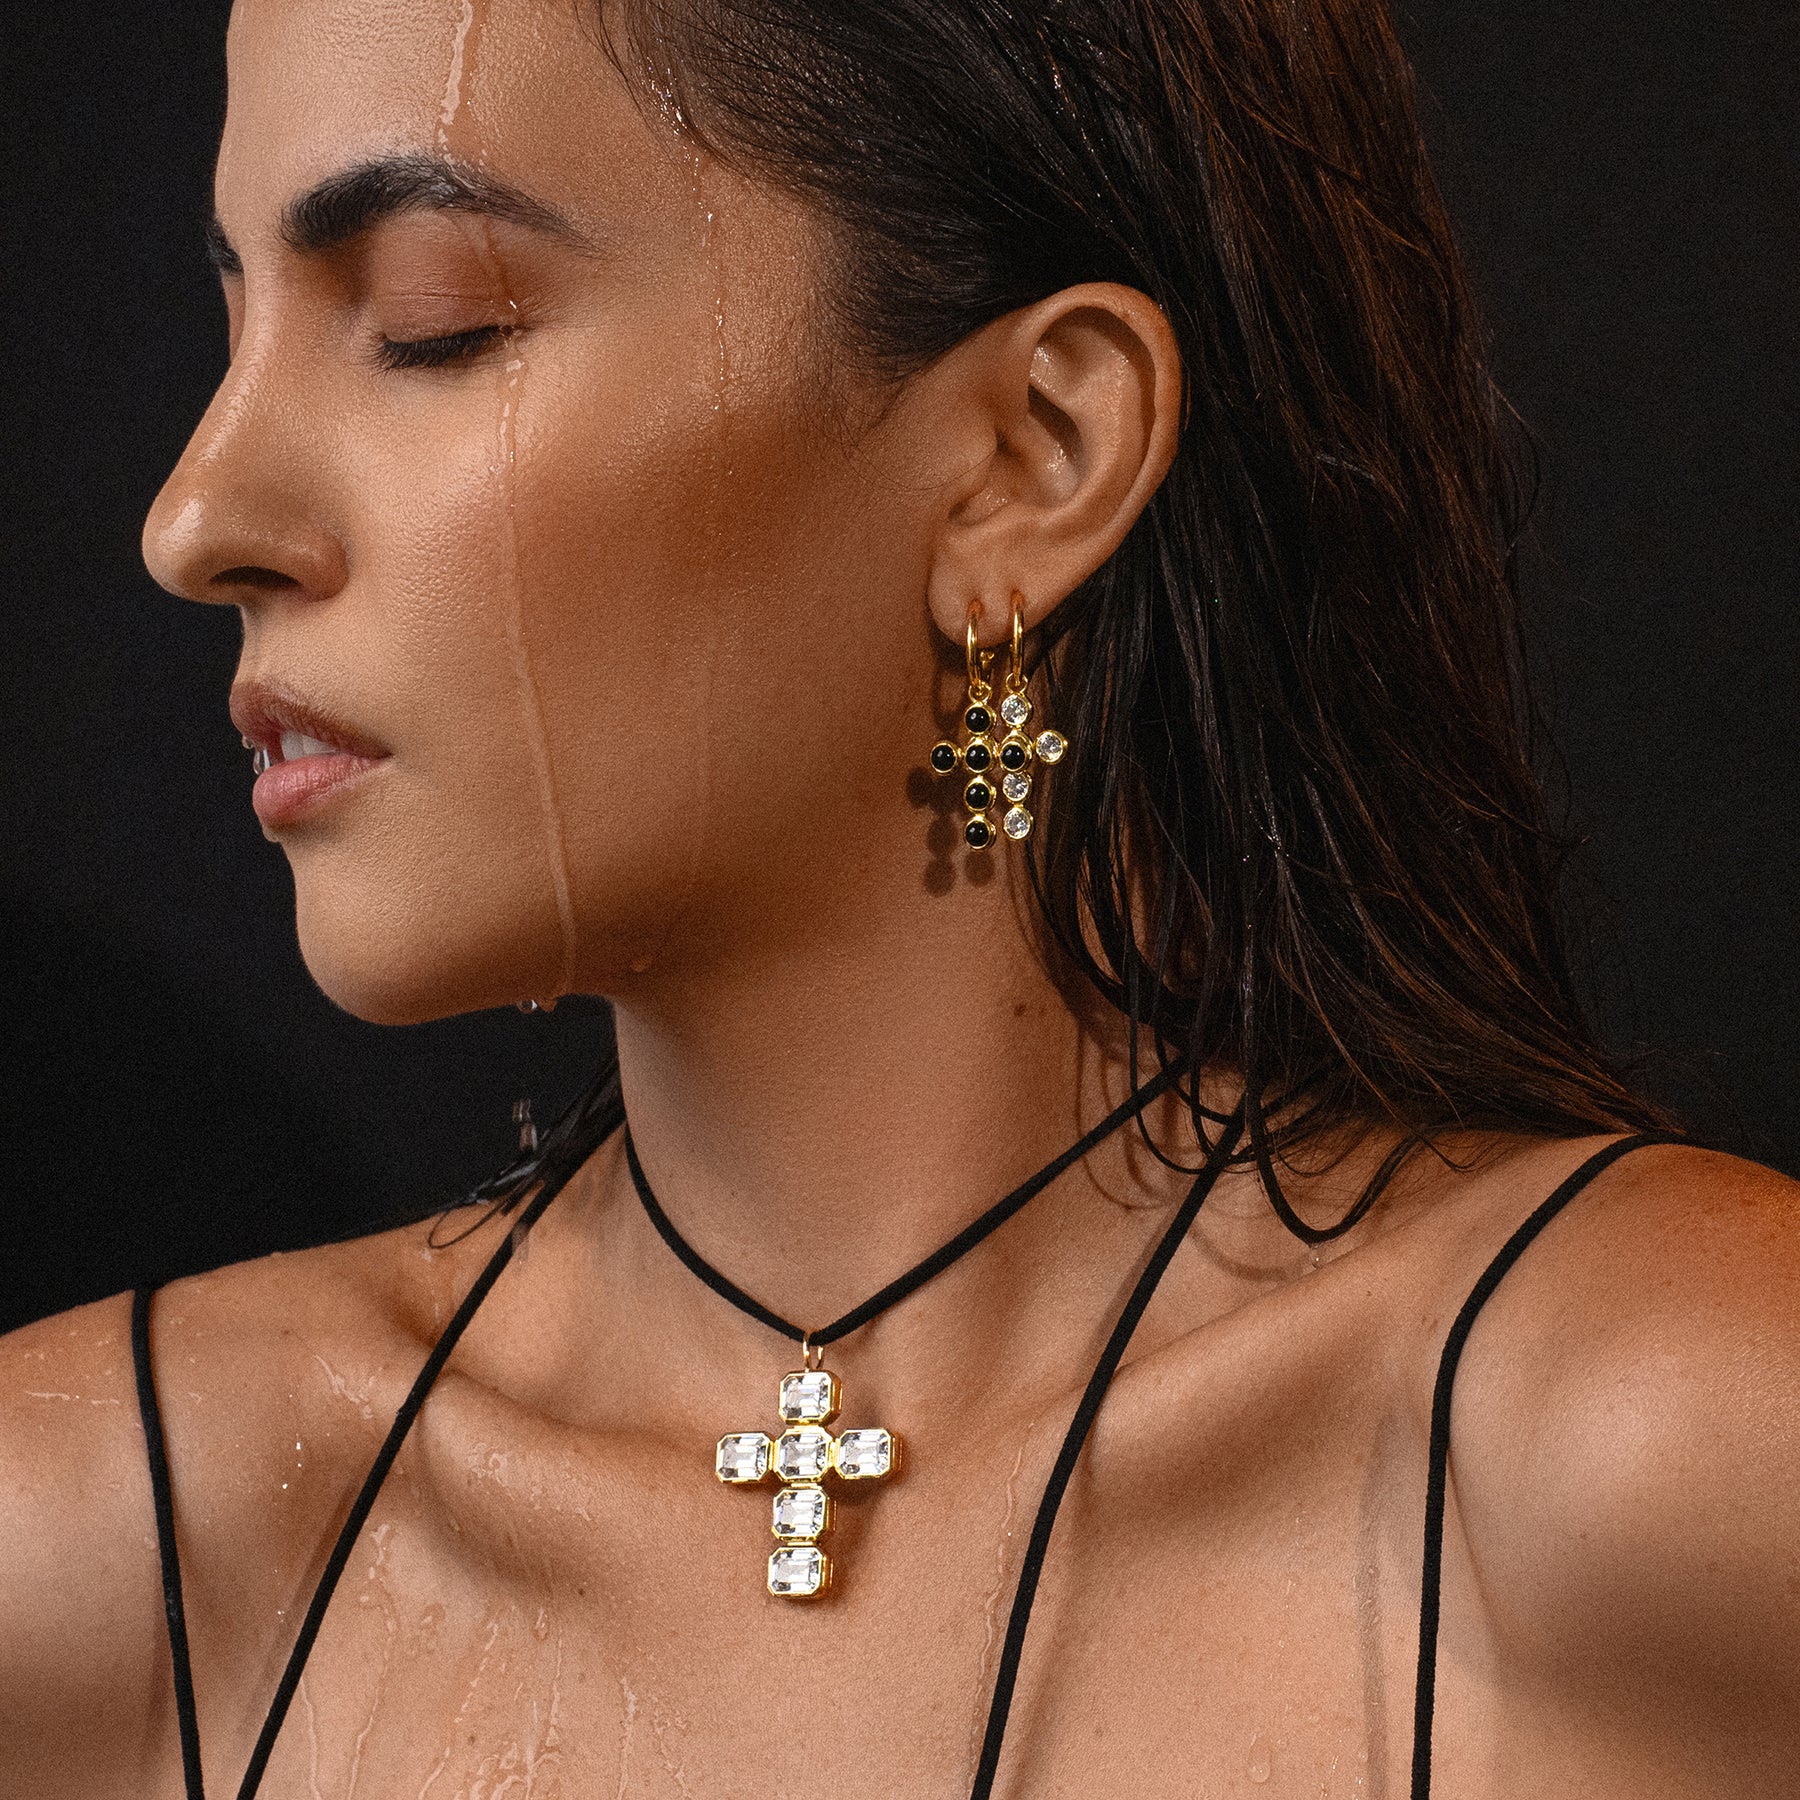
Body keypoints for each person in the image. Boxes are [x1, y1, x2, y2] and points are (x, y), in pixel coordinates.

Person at [3, 0, 1796, 1793]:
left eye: (431, 328)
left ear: (1034, 453)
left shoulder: (1673, 1453)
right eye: (230, 324)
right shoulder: (95, 1557)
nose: (195, 517)